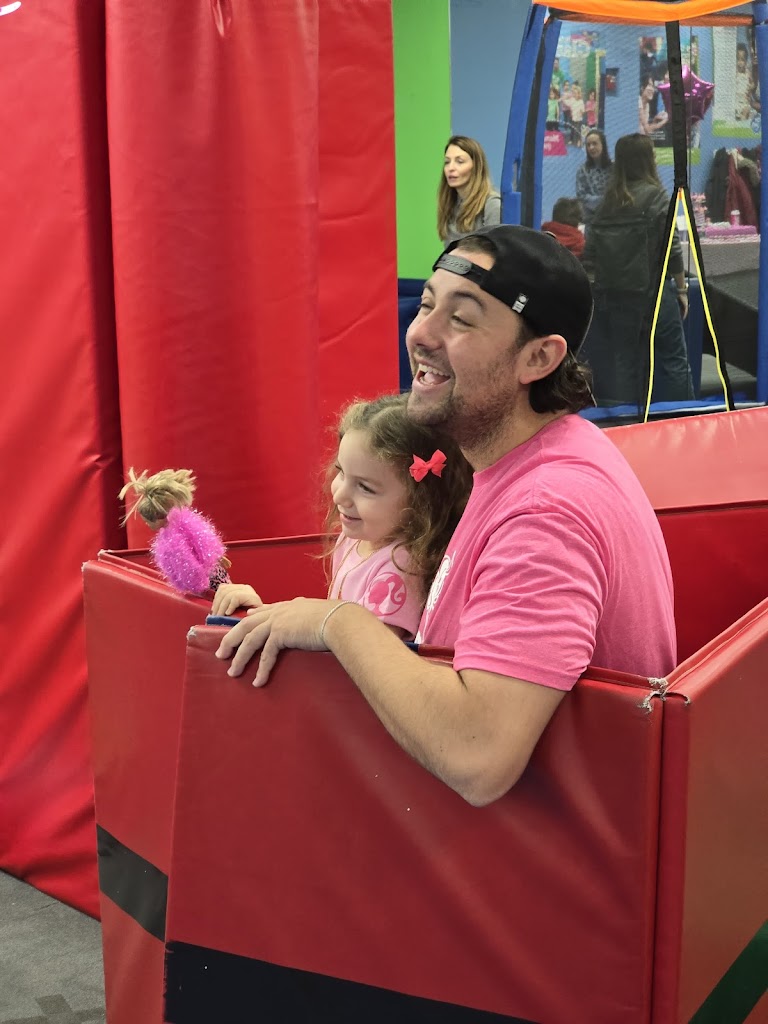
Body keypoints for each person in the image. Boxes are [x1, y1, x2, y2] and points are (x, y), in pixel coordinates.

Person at [215, 225, 677, 807]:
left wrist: (337, 622)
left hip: (536, 847)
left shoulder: (546, 511)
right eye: (427, 305)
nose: (421, 333)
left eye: (461, 319)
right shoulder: (547, 451)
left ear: (538, 357)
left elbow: (476, 755)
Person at [212, 393, 473, 640]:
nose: (340, 495)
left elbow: (365, 658)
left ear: (421, 503)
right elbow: (328, 634)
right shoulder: (355, 539)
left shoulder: (399, 568)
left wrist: (270, 619)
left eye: (365, 487)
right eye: (341, 472)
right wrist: (260, 613)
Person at [582, 133, 693, 405]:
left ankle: (628, 420)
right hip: (655, 293)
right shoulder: (657, 196)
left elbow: (590, 255)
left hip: (617, 297)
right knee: (674, 360)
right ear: (648, 160)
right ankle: (682, 417)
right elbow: (672, 249)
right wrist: (681, 289)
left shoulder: (606, 203)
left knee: (625, 362)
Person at [119, 467, 231, 593]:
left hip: (208, 582)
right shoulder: (181, 526)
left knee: (223, 598)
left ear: (160, 517)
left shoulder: (172, 540)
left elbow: (192, 562)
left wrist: (199, 584)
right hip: (209, 577)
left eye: (149, 520)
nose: (146, 524)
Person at [438, 136, 501, 245]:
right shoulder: (450, 203)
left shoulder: (492, 204)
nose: (450, 168)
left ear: (476, 166)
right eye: (447, 162)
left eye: (460, 161)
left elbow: (497, 251)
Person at [575, 129, 612, 226]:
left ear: (603, 145)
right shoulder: (582, 171)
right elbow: (582, 197)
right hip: (590, 222)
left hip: (612, 220)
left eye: (595, 144)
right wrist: (604, 202)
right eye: (588, 145)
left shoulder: (614, 168)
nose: (591, 147)